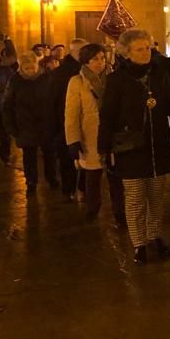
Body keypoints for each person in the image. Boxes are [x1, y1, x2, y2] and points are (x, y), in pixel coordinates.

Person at [98, 28, 170, 264]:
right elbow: (108, 115)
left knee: (156, 196)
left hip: (158, 145)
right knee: (134, 198)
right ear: (127, 53)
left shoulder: (159, 75)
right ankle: (139, 243)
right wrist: (104, 148)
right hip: (131, 148)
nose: (146, 53)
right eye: (140, 49)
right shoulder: (116, 80)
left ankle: (154, 235)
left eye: (148, 48)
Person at [65, 43, 125, 223]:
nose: (100, 63)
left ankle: (120, 211)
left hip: (112, 133)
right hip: (90, 135)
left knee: (115, 176)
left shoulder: (114, 79)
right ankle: (93, 208)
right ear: (86, 61)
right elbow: (71, 113)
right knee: (92, 175)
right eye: (95, 59)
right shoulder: (77, 82)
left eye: (102, 58)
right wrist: (73, 140)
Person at [2, 52, 56, 195]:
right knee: (29, 155)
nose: (30, 71)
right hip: (25, 124)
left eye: (32, 68)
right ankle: (31, 182)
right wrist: (11, 127)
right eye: (27, 69)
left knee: (49, 153)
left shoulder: (46, 78)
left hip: (45, 123)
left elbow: (54, 100)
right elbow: (8, 105)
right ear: (21, 68)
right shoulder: (15, 81)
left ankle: (52, 178)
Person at [50, 39, 87, 202]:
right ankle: (72, 190)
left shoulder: (86, 69)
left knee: (81, 158)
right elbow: (53, 100)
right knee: (69, 159)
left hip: (79, 122)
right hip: (65, 122)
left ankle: (74, 190)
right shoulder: (63, 73)